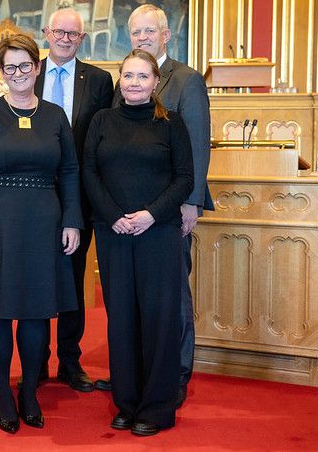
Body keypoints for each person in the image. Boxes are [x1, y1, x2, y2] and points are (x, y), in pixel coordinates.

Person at [0, 34, 83, 433]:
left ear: (38, 67)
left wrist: (72, 219)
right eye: (10, 67)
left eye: (25, 65)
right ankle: (4, 397)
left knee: (36, 312)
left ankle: (28, 393)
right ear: (2, 72)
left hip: (44, 224)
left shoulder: (56, 116)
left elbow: (70, 172)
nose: (18, 74)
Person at [96, 5, 213, 407]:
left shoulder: (187, 80)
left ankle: (175, 375)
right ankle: (135, 374)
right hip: (124, 219)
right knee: (130, 300)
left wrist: (191, 202)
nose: (143, 37)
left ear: (166, 34)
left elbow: (196, 145)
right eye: (136, 32)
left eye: (150, 30)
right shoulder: (124, 79)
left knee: (172, 298)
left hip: (169, 213)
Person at [83, 48, 194, 437]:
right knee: (122, 319)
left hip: (158, 233)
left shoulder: (172, 124)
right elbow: (89, 172)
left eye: (142, 76)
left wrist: (149, 215)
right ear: (120, 80)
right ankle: (127, 404)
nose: (134, 83)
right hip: (113, 233)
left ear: (154, 82)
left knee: (159, 320)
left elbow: (184, 179)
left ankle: (157, 407)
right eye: (128, 76)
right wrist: (114, 216)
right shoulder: (102, 120)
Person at [32, 9, 113, 392]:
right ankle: (35, 362)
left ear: (82, 39)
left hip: (78, 198)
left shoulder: (99, 81)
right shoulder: (27, 73)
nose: (65, 38)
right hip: (30, 196)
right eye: (59, 31)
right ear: (46, 33)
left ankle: (69, 360)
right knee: (33, 278)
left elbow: (104, 140)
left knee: (71, 278)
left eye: (73, 34)